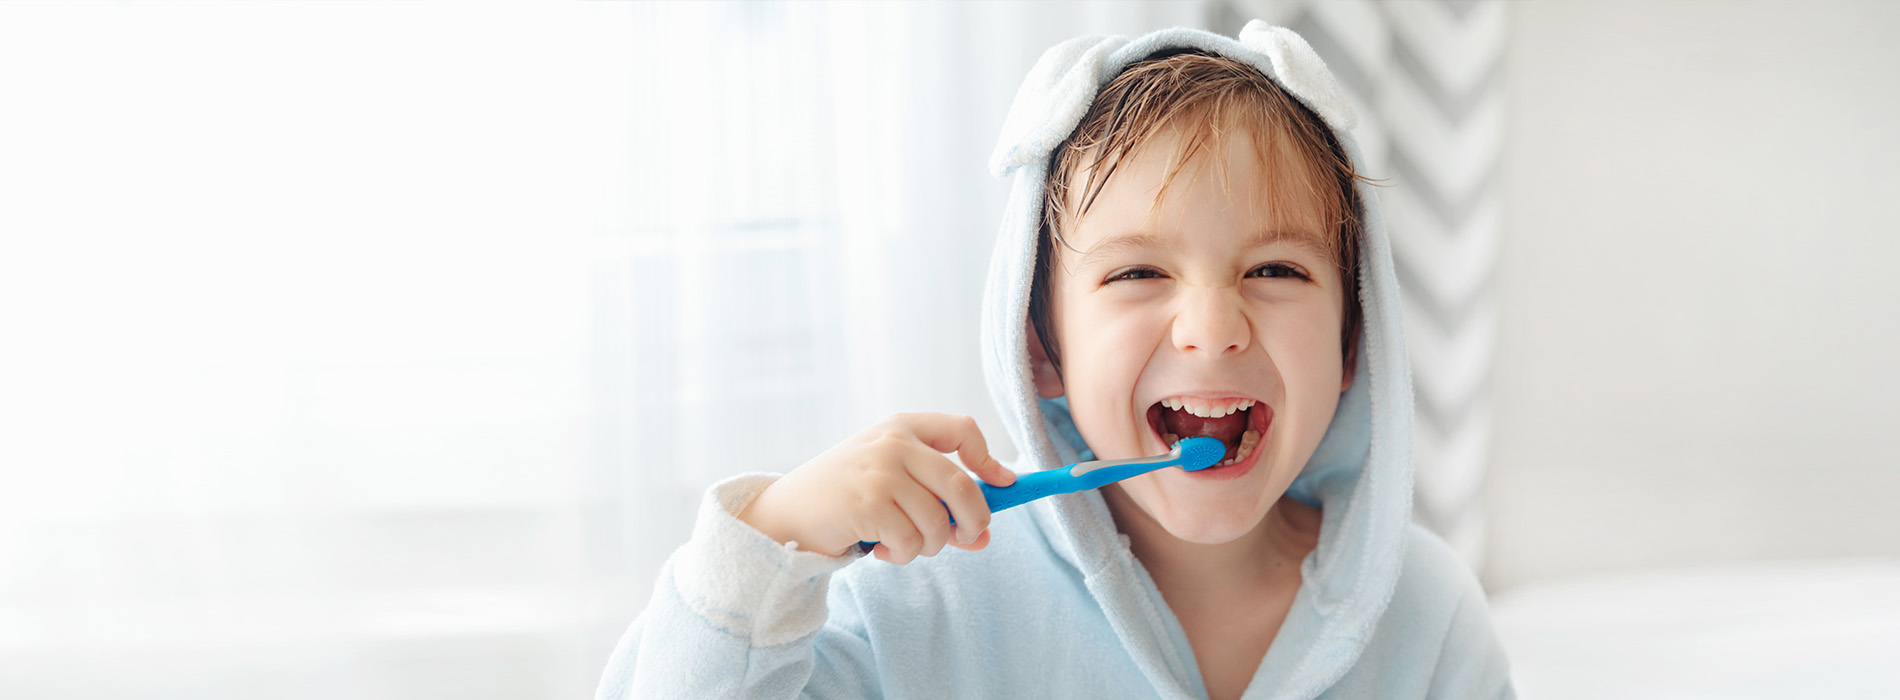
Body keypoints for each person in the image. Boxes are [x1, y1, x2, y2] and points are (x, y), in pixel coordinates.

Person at [598, 20, 1514, 700]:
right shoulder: (922, 603)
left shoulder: (1424, 612)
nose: (1212, 327)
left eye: (1275, 269)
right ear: (1040, 349)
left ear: (1354, 342)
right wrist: (774, 540)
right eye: (1139, 271)